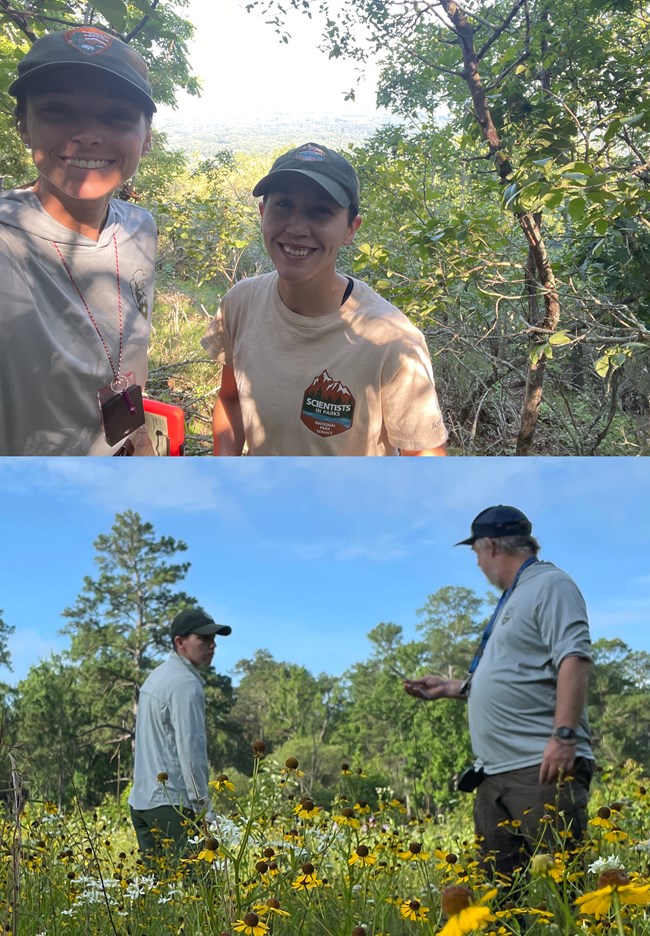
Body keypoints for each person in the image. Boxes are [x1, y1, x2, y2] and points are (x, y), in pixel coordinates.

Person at [201, 142, 448, 456]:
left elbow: (426, 459)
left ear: (350, 229)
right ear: (263, 214)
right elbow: (231, 399)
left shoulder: (392, 341)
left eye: (321, 211)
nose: (296, 228)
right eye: (283, 205)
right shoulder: (241, 303)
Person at [405, 505, 594, 879]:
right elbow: (518, 672)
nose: (476, 562)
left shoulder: (549, 584)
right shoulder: (514, 596)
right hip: (493, 775)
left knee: (570, 893)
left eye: (475, 552)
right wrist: (452, 688)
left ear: (490, 545)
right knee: (499, 898)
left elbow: (574, 657)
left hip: (539, 769)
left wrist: (564, 736)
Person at [1, 27, 157, 455]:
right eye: (57, 110)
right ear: (24, 126)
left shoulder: (140, 228)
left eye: (117, 115)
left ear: (146, 137)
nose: (87, 134)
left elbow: (128, 353)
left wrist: (138, 436)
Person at [129, 608, 232, 857]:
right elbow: (190, 750)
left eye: (214, 639)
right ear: (180, 642)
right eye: (204, 639)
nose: (212, 645)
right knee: (198, 889)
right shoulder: (185, 684)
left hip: (142, 803)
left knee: (160, 891)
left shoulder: (158, 677)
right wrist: (204, 810)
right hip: (171, 806)